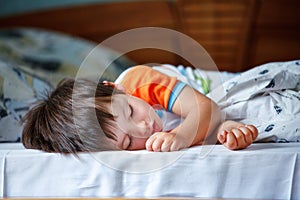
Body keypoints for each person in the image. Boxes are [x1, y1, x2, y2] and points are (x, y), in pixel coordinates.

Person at [21, 65, 258, 154]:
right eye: (126, 143)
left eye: (131, 112)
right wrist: (220, 129)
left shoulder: (139, 80)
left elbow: (206, 108)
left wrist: (180, 137)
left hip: (224, 86)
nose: (143, 129)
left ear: (115, 88)